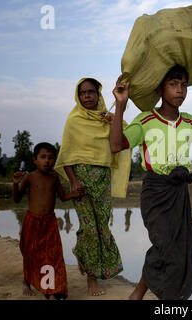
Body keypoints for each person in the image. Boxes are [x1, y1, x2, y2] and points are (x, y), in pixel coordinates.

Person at [110, 65, 192, 300]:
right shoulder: (146, 120)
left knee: (178, 250)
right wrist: (121, 105)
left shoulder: (190, 122)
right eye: (173, 84)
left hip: (179, 192)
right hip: (155, 191)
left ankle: (147, 294)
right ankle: (142, 293)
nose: (180, 90)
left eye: (184, 85)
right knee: (165, 246)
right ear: (159, 89)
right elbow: (115, 145)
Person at [54, 78, 130, 296]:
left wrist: (112, 119)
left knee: (102, 226)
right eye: (82, 92)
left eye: (91, 92)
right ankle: (92, 279)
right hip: (82, 181)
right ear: (78, 96)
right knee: (90, 228)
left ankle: (81, 253)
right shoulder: (74, 120)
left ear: (99, 95)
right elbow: (66, 155)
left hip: (103, 178)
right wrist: (74, 181)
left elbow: (124, 135)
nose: (87, 96)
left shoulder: (106, 118)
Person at [13, 142, 85, 300]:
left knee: (52, 256)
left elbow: (62, 197)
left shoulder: (54, 177)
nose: (47, 161)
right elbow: (17, 199)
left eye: (51, 158)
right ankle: (27, 281)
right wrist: (15, 184)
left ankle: (51, 290)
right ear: (34, 160)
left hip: (50, 223)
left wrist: (75, 194)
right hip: (32, 221)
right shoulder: (29, 177)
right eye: (43, 157)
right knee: (31, 254)